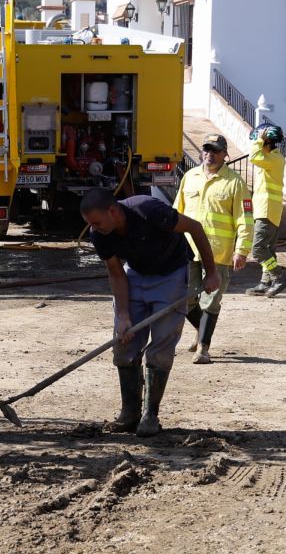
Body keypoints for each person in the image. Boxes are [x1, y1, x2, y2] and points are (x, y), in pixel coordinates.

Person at [81, 187, 221, 436]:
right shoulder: (100, 234)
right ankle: (129, 413)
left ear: (113, 211)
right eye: (91, 223)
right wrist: (123, 315)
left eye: (97, 222)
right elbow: (116, 274)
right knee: (124, 343)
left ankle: (150, 415)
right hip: (135, 274)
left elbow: (196, 228)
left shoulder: (149, 210)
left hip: (171, 273)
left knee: (161, 345)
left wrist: (211, 271)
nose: (94, 227)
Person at [171, 134, 249, 364]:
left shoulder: (235, 182)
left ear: (225, 154)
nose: (210, 154)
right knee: (187, 300)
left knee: (211, 301)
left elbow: (246, 219)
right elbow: (177, 212)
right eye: (206, 149)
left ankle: (203, 348)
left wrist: (242, 250)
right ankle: (201, 331)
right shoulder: (190, 177)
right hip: (188, 250)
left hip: (218, 253)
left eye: (215, 150)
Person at [247, 123, 286, 297]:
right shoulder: (270, 159)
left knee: (258, 250)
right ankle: (265, 282)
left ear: (267, 141)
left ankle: (279, 277)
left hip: (266, 211)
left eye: (260, 140)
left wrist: (258, 140)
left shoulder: (274, 158)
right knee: (268, 249)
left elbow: (253, 157)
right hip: (265, 210)